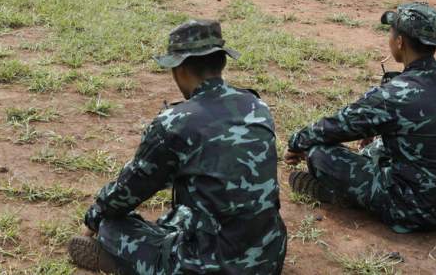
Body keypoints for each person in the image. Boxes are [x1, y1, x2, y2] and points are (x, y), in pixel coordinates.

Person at [68, 20, 287, 274]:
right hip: (269, 257)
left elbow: (127, 191)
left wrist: (95, 217)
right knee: (181, 215)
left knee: (112, 227)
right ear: (223, 62)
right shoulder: (257, 107)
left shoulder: (175, 123)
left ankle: (123, 265)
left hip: (207, 266)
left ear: (179, 69)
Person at [285, 3, 436, 233]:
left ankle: (337, 195)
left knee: (320, 153)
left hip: (415, 210)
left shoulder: (395, 94)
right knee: (376, 146)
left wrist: (297, 143)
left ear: (400, 42)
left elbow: (337, 126)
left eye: (391, 33)